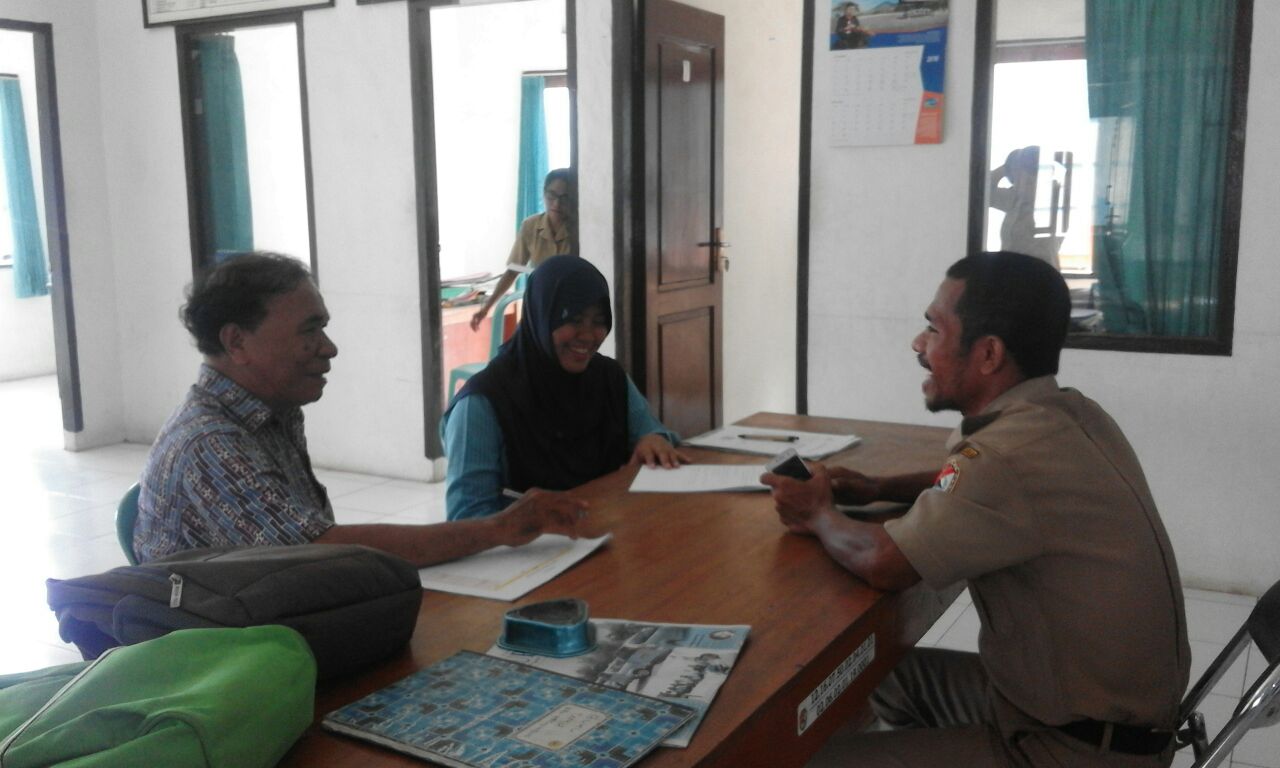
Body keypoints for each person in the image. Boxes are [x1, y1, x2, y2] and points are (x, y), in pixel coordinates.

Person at [762, 251, 1189, 767]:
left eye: (934, 329)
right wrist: (877, 485)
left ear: (988, 354)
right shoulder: (1071, 413)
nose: (918, 344)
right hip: (1083, 714)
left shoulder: (1005, 457)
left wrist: (815, 512)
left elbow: (885, 563)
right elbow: (987, 486)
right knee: (880, 677)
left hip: (1073, 750)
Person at [135, 252, 585, 565]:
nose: (328, 348)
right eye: (310, 330)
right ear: (237, 342)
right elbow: (319, 554)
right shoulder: (210, 443)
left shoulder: (274, 412)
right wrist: (498, 529)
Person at [443, 255, 685, 520]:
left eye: (598, 321)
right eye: (574, 319)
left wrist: (653, 439)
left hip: (607, 531)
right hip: (530, 544)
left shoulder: (608, 378)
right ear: (541, 315)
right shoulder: (482, 403)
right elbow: (466, 518)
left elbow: (650, 431)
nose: (588, 335)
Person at [470, 168, 576, 332]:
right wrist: (486, 308)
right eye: (551, 195)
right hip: (538, 306)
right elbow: (513, 271)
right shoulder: (530, 226)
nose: (556, 203)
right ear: (544, 194)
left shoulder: (579, 230)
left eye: (564, 198)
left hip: (571, 309)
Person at [988, 145, 1062, 269]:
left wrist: (1011, 166)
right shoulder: (1016, 198)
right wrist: (1006, 167)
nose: (1015, 179)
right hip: (1011, 271)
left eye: (1020, 172)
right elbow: (984, 192)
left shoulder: (1052, 198)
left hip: (1037, 273)